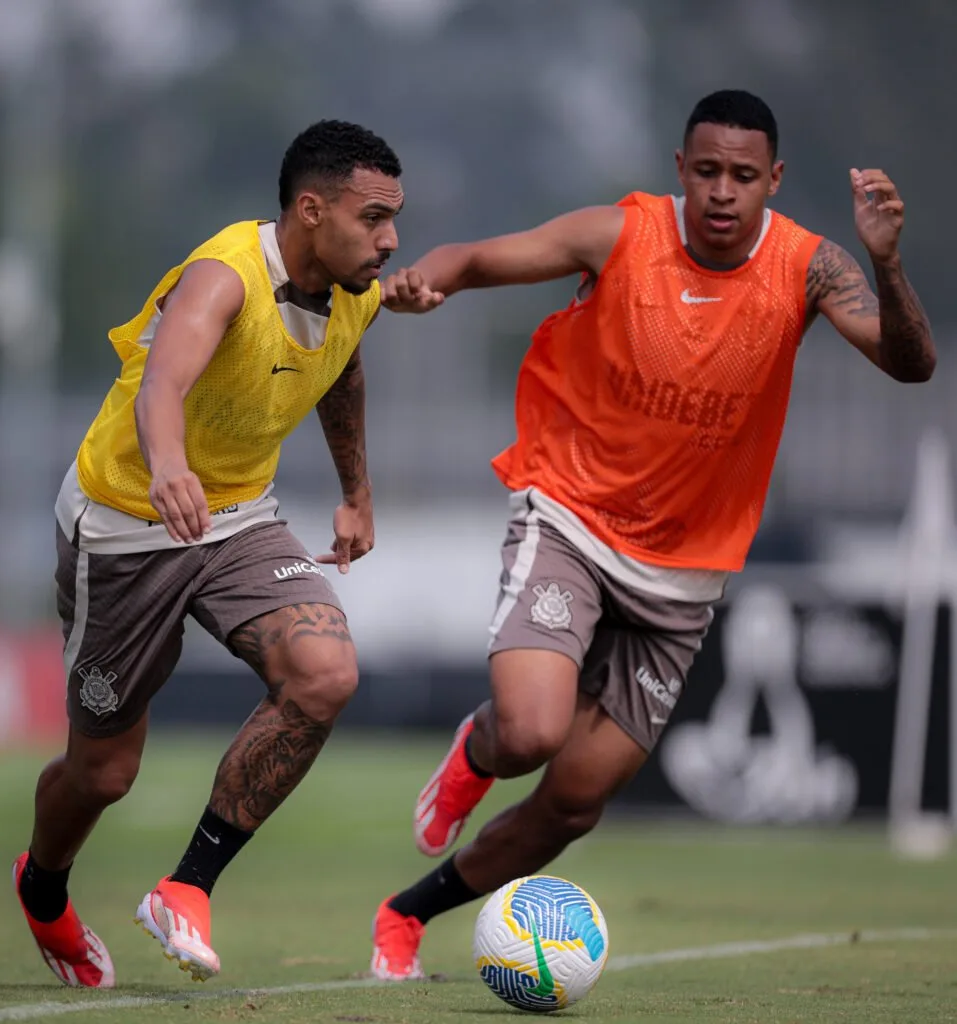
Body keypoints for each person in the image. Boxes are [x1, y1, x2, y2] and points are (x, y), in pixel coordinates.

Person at [368, 89, 936, 980]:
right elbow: (478, 257)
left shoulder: (811, 266)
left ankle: (405, 915)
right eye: (705, 170)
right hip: (571, 518)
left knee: (574, 802)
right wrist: (424, 281)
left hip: (683, 578)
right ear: (680, 169)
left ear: (772, 181)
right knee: (529, 733)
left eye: (742, 176)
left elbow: (910, 365)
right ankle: (475, 753)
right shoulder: (621, 233)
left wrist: (888, 264)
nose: (721, 191)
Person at [12, 120, 412, 988]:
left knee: (325, 675)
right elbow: (163, 385)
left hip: (235, 522)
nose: (389, 240)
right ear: (310, 210)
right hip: (122, 529)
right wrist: (166, 468)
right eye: (373, 217)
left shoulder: (353, 289)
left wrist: (357, 493)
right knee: (104, 772)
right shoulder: (223, 275)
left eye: (394, 220)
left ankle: (186, 888)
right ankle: (43, 890)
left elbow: (340, 367)